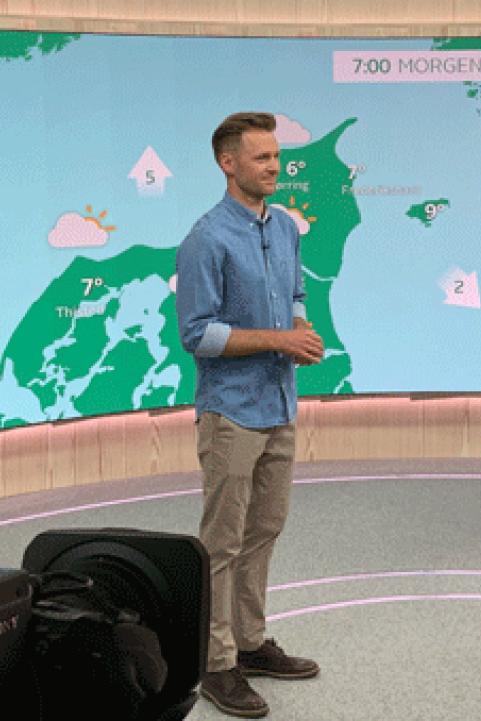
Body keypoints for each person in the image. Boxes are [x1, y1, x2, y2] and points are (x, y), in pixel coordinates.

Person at [175, 111, 324, 719]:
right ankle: (215, 664)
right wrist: (278, 341)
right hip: (231, 413)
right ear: (227, 163)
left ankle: (252, 643)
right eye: (261, 158)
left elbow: (294, 294)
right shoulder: (205, 239)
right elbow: (197, 335)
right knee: (222, 544)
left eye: (276, 156)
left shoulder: (285, 228)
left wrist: (298, 328)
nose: (274, 166)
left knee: (264, 531)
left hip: (279, 406)